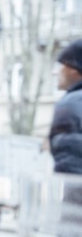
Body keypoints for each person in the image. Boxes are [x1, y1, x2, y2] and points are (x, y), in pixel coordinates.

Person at [50, 38, 82, 174]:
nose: (55, 72)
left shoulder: (71, 103)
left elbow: (69, 164)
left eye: (61, 65)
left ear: (74, 69)